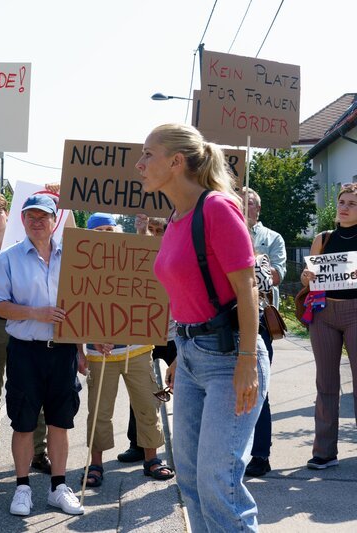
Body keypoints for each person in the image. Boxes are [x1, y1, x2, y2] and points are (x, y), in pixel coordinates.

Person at [136, 123, 268, 532]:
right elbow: (185, 294)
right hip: (192, 358)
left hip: (230, 359)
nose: (139, 165)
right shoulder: (176, 216)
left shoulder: (217, 208)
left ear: (176, 162)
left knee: (218, 483)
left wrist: (247, 358)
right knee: (190, 480)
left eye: (148, 155)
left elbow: (246, 286)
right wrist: (181, 352)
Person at [0, 193, 86, 517]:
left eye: (44, 216)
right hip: (25, 351)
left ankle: (58, 487)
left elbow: (82, 307)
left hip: (63, 352)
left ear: (55, 221)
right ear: (22, 220)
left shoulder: (74, 258)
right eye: (31, 216)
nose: (37, 222)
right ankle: (22, 487)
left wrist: (83, 350)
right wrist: (33, 313)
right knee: (23, 422)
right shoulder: (8, 259)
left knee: (60, 422)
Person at [81, 214, 174, 487]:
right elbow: (77, 308)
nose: (106, 234)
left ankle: (152, 459)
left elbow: (152, 268)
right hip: (102, 353)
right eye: (99, 231)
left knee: (147, 405)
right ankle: (95, 464)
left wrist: (143, 230)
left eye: (110, 229)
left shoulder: (130, 256)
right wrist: (90, 338)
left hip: (138, 348)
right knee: (99, 411)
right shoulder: (84, 265)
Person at [0, 191, 51, 474]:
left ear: (7, 214)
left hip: (27, 324)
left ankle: (39, 452)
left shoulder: (24, 244)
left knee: (34, 388)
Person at [300, 183, 357, 470]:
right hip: (323, 313)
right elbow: (308, 280)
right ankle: (324, 451)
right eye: (342, 202)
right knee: (326, 383)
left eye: (352, 203)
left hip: (356, 311)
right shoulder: (323, 238)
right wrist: (306, 276)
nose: (344, 207)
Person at [118, 215, 175, 464]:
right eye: (150, 229)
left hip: (174, 334)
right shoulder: (142, 252)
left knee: (184, 389)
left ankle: (184, 446)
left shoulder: (175, 252)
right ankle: (137, 444)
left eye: (158, 230)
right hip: (145, 332)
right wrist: (141, 233)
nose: (154, 234)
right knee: (140, 390)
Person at [242, 187, 287, 477]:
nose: (243, 207)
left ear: (258, 209)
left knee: (259, 388)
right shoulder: (220, 231)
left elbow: (277, 274)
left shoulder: (272, 238)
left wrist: (249, 260)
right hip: (226, 316)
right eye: (238, 203)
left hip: (259, 317)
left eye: (248, 204)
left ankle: (260, 454)